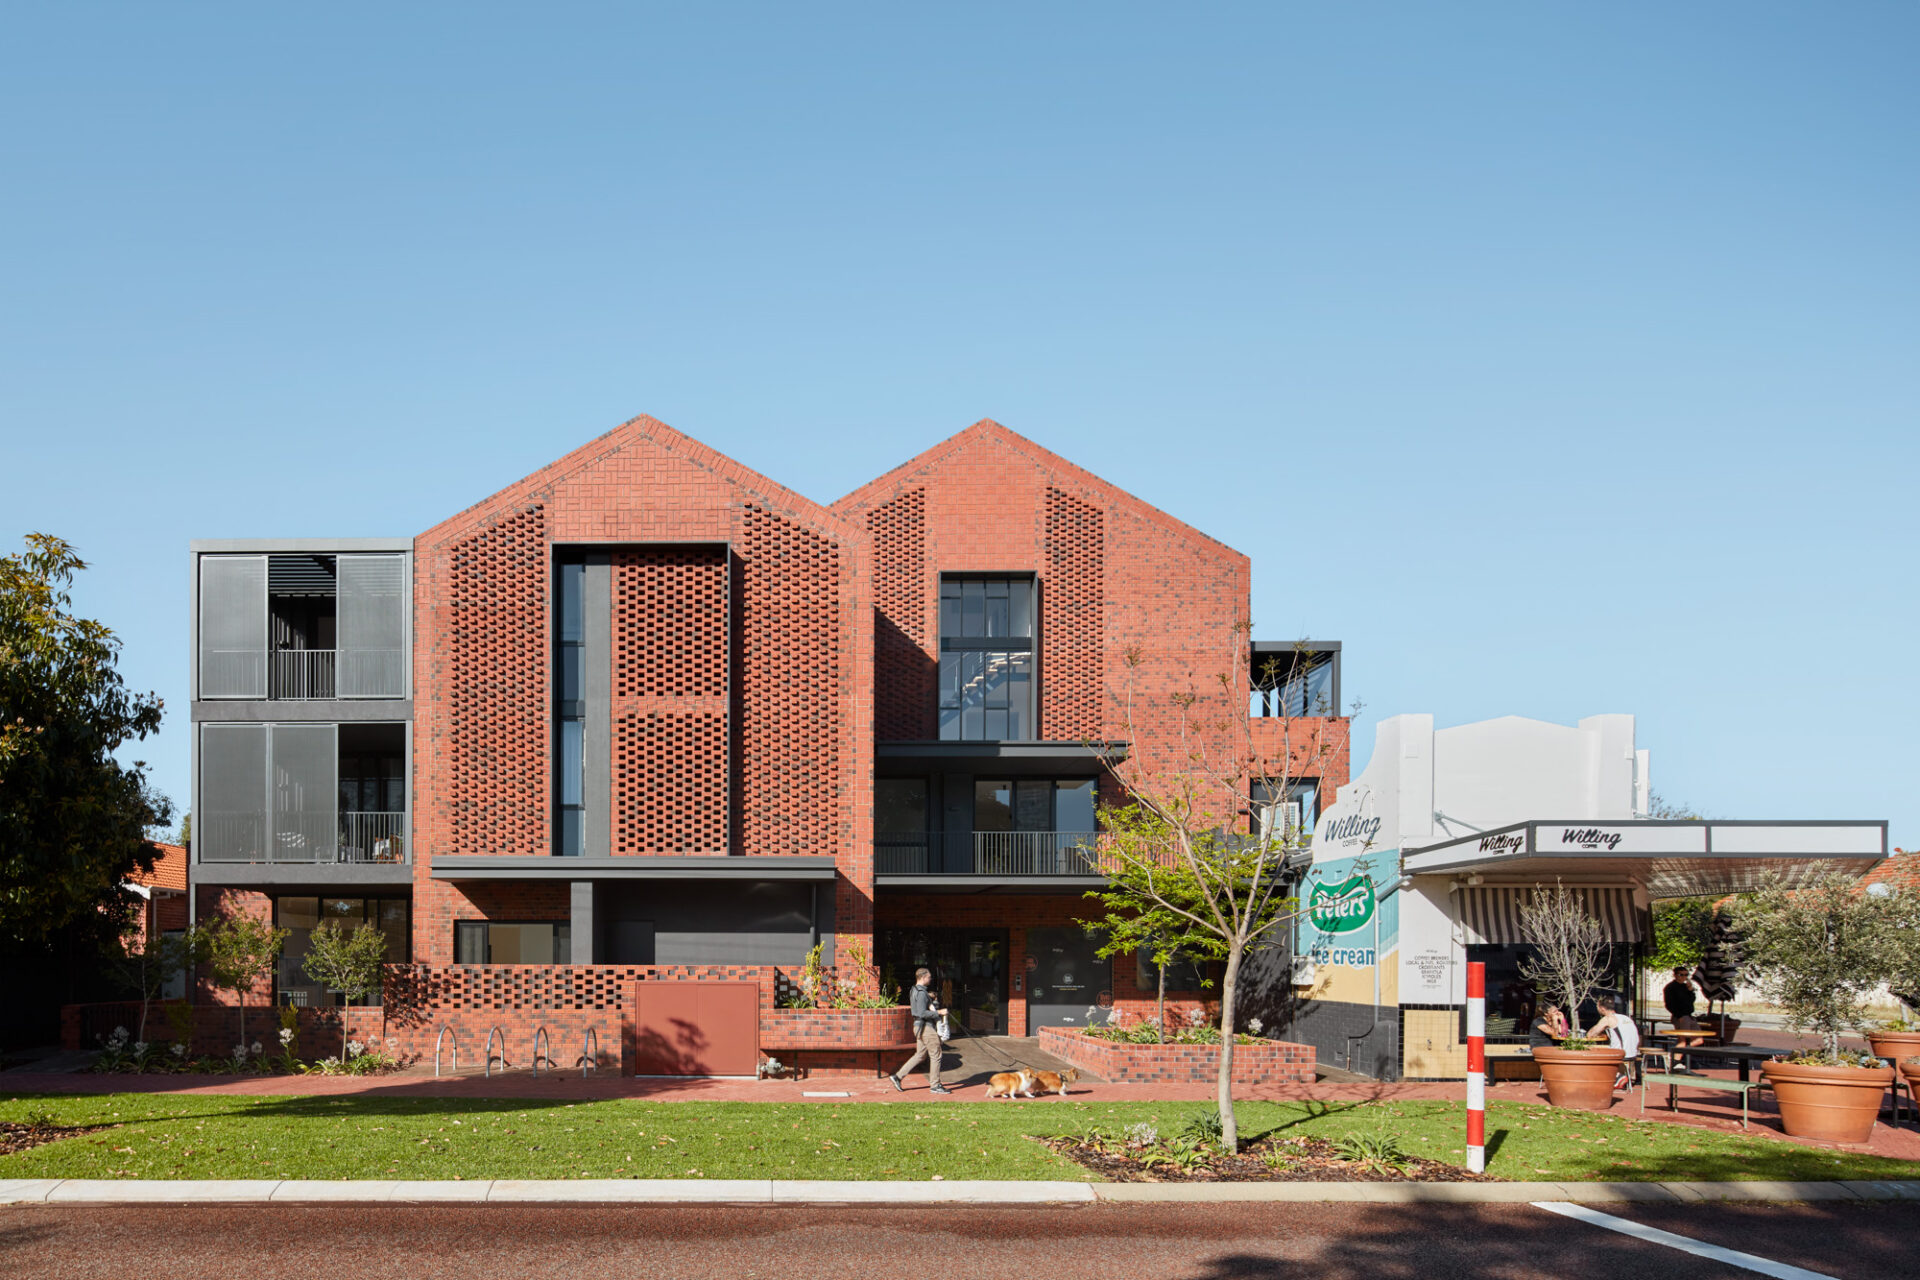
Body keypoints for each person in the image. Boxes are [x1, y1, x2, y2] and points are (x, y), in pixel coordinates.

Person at [889, 967, 952, 1095]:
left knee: (920, 1055)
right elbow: (922, 1013)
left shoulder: (915, 990)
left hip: (919, 1027)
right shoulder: (922, 993)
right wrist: (940, 1012)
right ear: (923, 977)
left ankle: (897, 1077)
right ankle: (935, 1085)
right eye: (929, 977)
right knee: (936, 1054)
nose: (930, 979)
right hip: (926, 1027)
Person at [1591, 994, 1641, 1090]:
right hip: (1633, 1053)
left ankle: (1618, 1077)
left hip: (1621, 1054)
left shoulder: (1608, 1018)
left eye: (1597, 1007)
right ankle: (1620, 1076)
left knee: (1595, 1052)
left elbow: (1591, 1034)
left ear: (1602, 1008)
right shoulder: (1626, 1018)